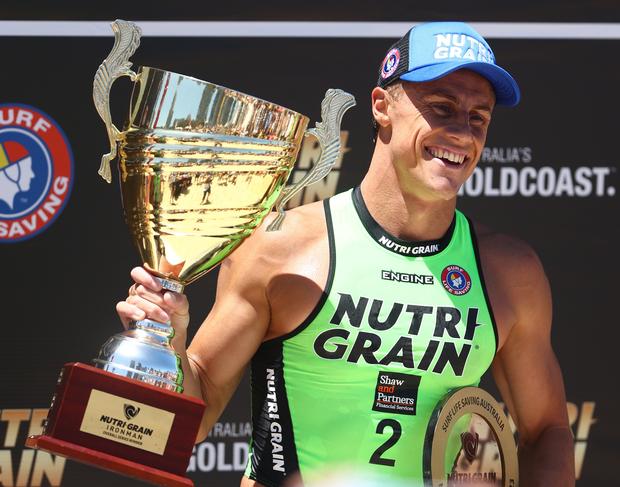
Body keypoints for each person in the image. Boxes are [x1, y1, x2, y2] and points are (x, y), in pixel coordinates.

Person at [117, 22, 575, 487]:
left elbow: (548, 430)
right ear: (382, 107)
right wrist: (168, 341)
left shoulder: (509, 272)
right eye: (441, 108)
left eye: (479, 117)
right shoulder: (282, 247)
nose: (462, 132)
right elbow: (193, 418)